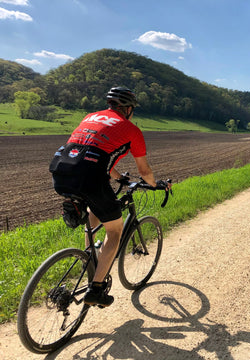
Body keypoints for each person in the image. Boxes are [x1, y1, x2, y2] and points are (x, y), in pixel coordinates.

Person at [49, 86, 169, 307]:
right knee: (114, 231)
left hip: (61, 172)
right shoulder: (131, 129)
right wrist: (156, 184)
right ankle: (96, 288)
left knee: (92, 210)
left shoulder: (91, 117)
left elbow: (95, 151)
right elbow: (144, 171)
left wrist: (116, 176)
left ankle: (91, 260)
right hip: (90, 177)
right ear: (129, 109)